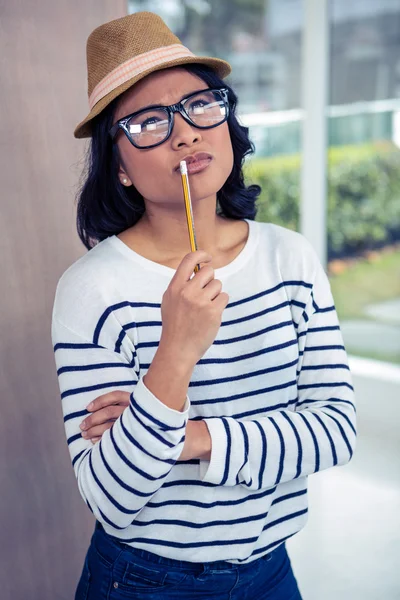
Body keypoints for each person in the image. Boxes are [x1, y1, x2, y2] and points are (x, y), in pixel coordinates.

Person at [51, 11, 357, 600]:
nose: (185, 133)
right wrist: (177, 348)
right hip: (143, 581)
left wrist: (190, 436)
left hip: (271, 569)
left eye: (199, 105)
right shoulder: (91, 291)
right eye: (147, 123)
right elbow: (112, 497)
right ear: (119, 166)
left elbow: (335, 431)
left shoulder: (290, 260)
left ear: (226, 121)